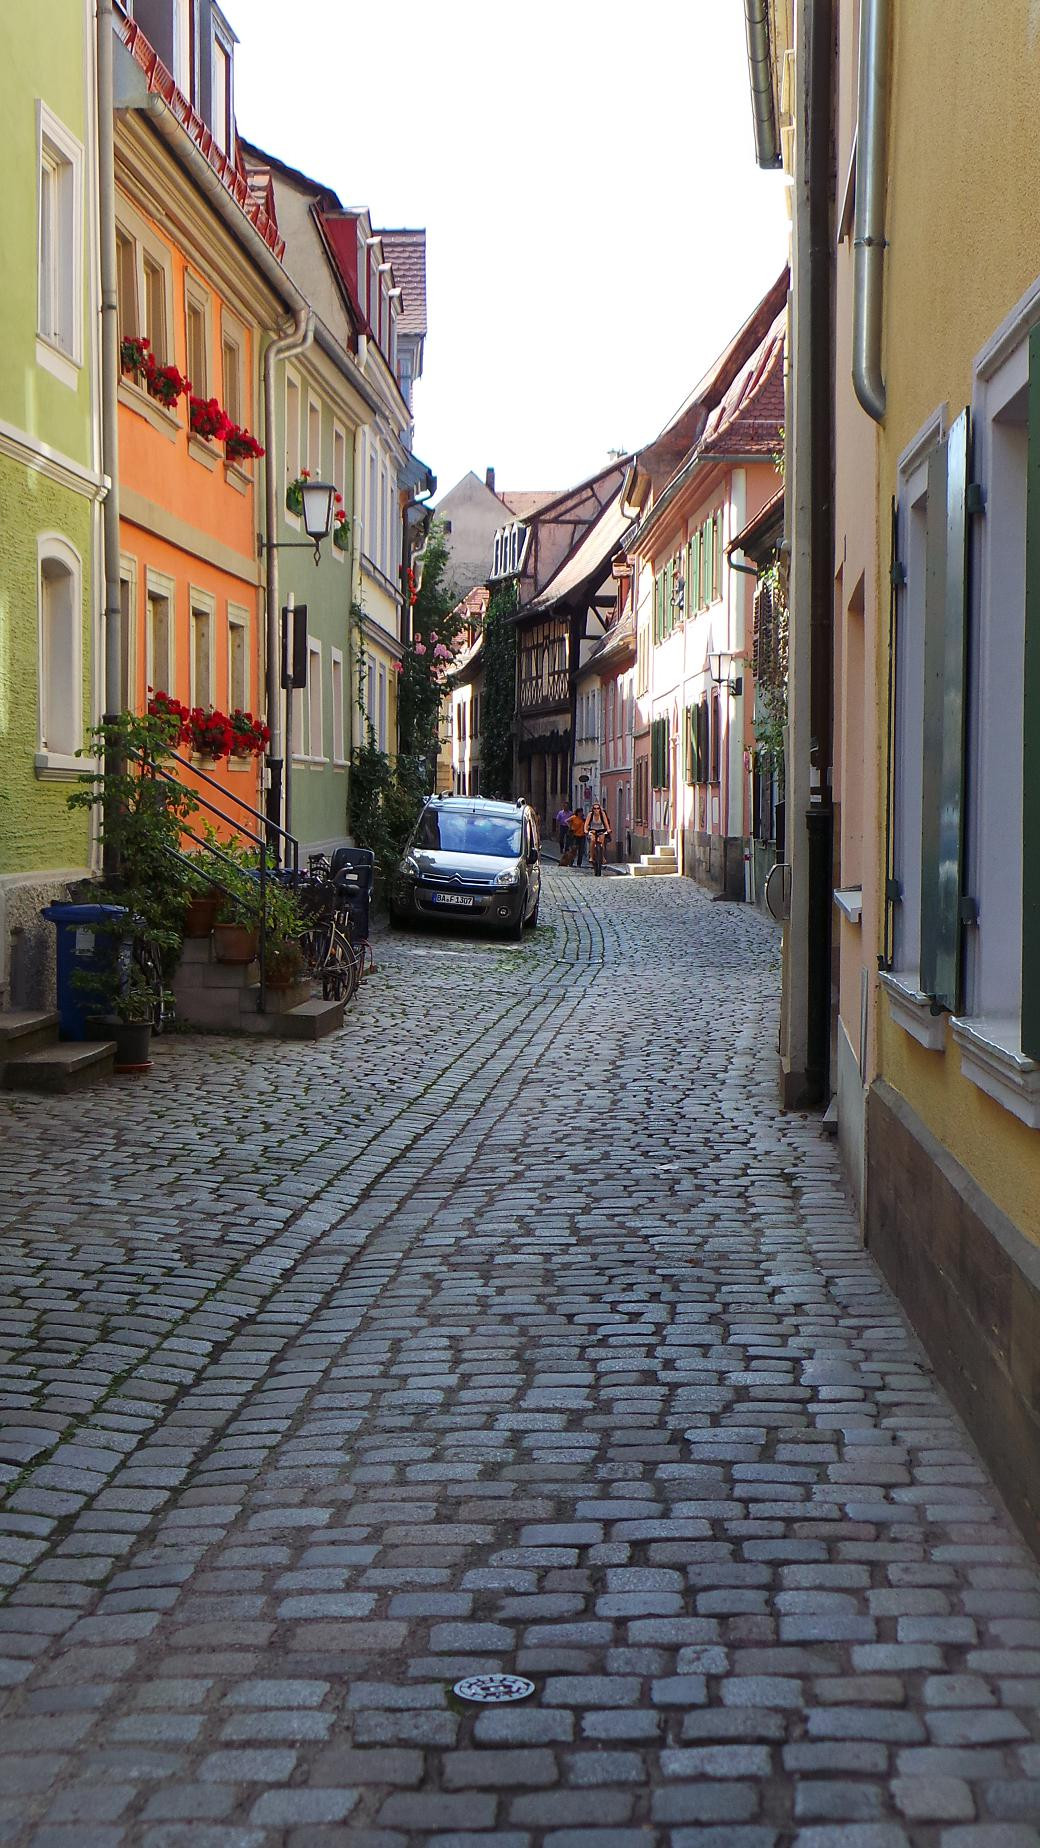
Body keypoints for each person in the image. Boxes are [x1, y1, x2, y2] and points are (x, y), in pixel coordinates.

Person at [585, 799, 612, 874]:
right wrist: (586, 830)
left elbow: (606, 823)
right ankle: (591, 856)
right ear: (592, 809)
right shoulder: (590, 815)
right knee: (593, 840)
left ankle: (602, 857)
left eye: (598, 808)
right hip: (592, 830)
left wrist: (608, 829)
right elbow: (586, 824)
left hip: (601, 830)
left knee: (602, 842)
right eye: (595, 808)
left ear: (600, 809)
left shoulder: (602, 814)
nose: (596, 810)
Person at [568, 804, 586, 868]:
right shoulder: (574, 817)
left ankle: (579, 864)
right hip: (575, 836)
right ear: (577, 813)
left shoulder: (584, 819)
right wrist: (570, 827)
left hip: (582, 836)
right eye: (579, 812)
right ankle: (571, 862)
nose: (581, 814)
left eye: (581, 812)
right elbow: (567, 821)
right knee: (574, 850)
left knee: (581, 851)